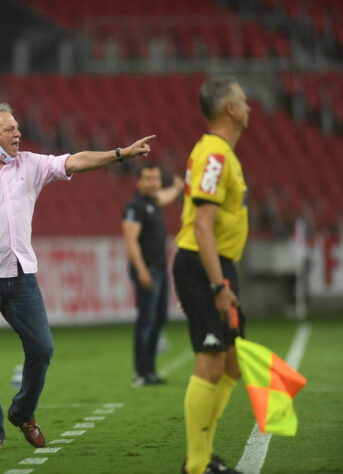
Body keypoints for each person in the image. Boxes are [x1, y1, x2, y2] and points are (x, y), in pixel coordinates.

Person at [0, 102, 154, 451]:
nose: (18, 133)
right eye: (9, 129)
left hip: (21, 275)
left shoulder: (30, 164)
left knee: (42, 348)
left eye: (17, 128)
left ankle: (22, 412)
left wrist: (119, 153)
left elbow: (75, 160)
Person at [172, 76, 250, 474]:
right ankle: (198, 464)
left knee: (233, 364)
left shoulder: (220, 153)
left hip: (217, 265)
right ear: (231, 109)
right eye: (243, 100)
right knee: (211, 361)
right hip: (204, 265)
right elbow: (202, 225)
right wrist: (218, 285)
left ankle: (200, 456)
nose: (249, 106)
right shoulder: (216, 155)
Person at [122, 163, 184, 387]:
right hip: (147, 269)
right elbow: (130, 241)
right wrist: (141, 270)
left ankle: (150, 369)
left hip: (159, 268)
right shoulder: (135, 206)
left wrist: (177, 188)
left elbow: (166, 196)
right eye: (148, 179)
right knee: (146, 320)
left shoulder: (153, 201)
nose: (153, 183)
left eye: (156, 179)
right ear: (138, 181)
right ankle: (142, 371)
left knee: (159, 319)